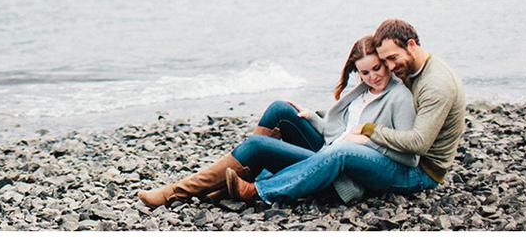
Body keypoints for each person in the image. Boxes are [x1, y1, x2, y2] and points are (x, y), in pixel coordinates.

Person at [138, 34, 418, 208]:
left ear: (386, 62)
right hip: (328, 150)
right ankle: (235, 180)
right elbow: (340, 133)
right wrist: (314, 119)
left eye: (377, 68)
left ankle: (175, 192)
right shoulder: (362, 91)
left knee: (257, 146)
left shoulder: (399, 97)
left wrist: (368, 140)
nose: (373, 77)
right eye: (364, 73)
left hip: (340, 169)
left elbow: (408, 155)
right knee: (281, 109)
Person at [223, 18, 466, 205]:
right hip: (378, 151)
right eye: (384, 62)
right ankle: (241, 174)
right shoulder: (404, 71)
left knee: (340, 152)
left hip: (419, 173)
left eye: (390, 60)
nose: (390, 68)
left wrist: (368, 132)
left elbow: (418, 146)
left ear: (411, 45)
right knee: (282, 110)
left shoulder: (434, 86)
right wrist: (316, 119)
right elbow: (351, 123)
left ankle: (260, 191)